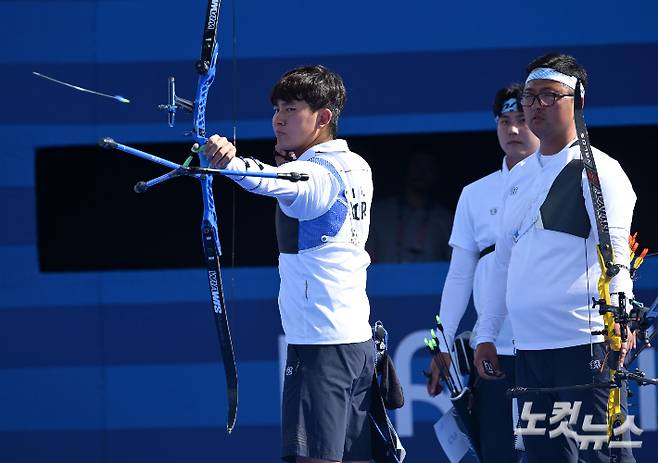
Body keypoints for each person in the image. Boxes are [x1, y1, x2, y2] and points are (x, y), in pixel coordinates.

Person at [201, 65, 374, 463]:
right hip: (356, 340)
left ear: (324, 117)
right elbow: (292, 177)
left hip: (321, 345)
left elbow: (277, 180)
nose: (278, 118)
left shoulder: (315, 175)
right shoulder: (358, 165)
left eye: (292, 108)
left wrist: (231, 163)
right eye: (277, 107)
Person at [474, 53, 636, 463]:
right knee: (543, 458)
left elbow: (616, 249)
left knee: (605, 456)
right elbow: (502, 264)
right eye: (530, 96)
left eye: (549, 96)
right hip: (528, 351)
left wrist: (621, 316)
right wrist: (487, 333)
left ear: (578, 101)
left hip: (587, 347)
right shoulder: (518, 179)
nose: (535, 106)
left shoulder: (597, 169)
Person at [426, 83, 539, 462]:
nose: (513, 130)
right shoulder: (475, 194)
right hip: (495, 350)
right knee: (498, 453)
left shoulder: (562, 182)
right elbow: (459, 276)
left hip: (553, 346)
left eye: (521, 120)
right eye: (505, 121)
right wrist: (443, 345)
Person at [367, 151, 453, 263]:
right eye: (417, 166)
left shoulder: (445, 219)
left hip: (431, 280)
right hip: (385, 279)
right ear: (407, 169)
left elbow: (454, 263)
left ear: (436, 174)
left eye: (428, 168)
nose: (422, 173)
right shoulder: (378, 213)